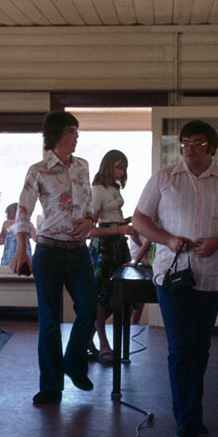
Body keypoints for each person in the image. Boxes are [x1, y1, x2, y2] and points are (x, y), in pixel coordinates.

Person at [133, 120, 218, 437]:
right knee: (180, 349)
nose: (188, 149)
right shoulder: (163, 178)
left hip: (212, 277)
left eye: (196, 143)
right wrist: (168, 239)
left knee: (200, 349)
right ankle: (186, 421)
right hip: (171, 276)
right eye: (184, 143)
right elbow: (139, 219)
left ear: (211, 147)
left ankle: (193, 413)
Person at [10, 111, 97, 405]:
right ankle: (50, 385)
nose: (76, 137)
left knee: (88, 308)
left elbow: (89, 202)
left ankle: (73, 363)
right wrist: (22, 250)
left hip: (79, 252)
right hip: (47, 251)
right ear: (56, 134)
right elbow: (23, 211)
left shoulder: (83, 166)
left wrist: (88, 221)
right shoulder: (38, 170)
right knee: (49, 320)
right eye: (71, 131)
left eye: (77, 131)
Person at [86, 149, 139, 364]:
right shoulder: (96, 191)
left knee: (115, 296)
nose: (120, 172)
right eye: (118, 167)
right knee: (100, 296)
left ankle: (87, 338)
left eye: (123, 168)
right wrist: (119, 229)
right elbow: (90, 231)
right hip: (104, 248)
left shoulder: (113, 189)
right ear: (108, 166)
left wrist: (125, 221)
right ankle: (103, 343)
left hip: (118, 244)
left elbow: (113, 219)